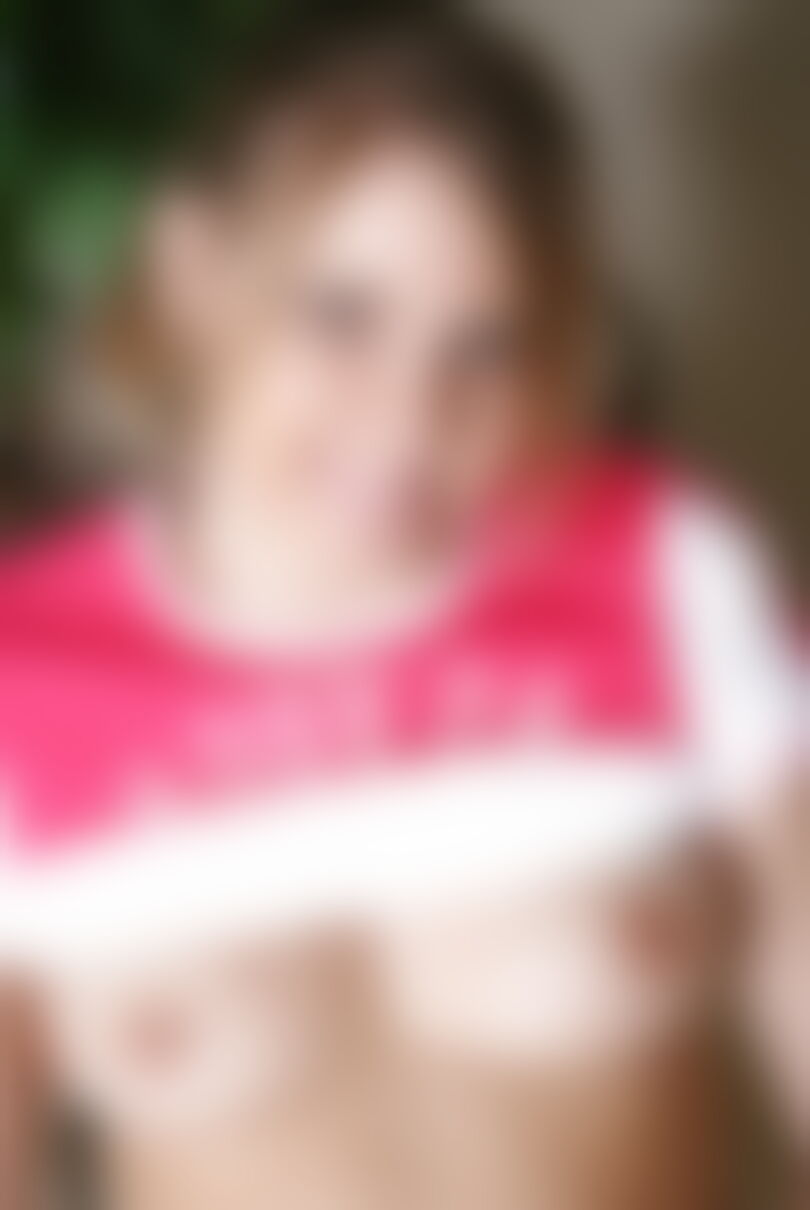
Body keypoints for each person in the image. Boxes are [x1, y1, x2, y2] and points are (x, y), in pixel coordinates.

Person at [0, 5, 803, 1208]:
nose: (408, 416)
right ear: (194, 270)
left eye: (482, 343)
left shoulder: (659, 565)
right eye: (342, 314)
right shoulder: (21, 671)